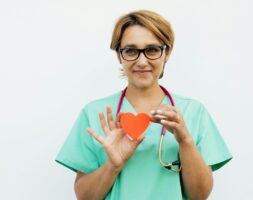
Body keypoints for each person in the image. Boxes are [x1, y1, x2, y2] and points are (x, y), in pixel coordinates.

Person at [55, 10, 232, 200]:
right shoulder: (95, 114)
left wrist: (185, 141)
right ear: (119, 56)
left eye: (152, 50)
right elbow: (84, 197)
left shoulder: (193, 112)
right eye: (131, 50)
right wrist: (113, 165)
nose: (141, 61)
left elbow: (199, 196)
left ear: (167, 53)